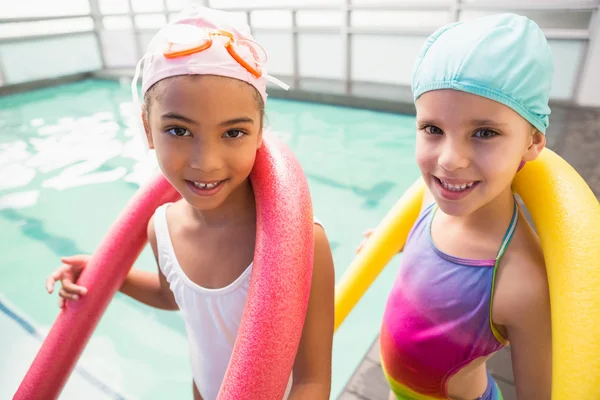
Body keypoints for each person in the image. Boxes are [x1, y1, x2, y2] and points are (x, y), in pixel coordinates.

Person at [46, 6, 335, 400]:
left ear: (259, 134)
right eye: (179, 130)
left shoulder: (301, 244)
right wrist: (104, 276)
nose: (206, 162)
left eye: (233, 132)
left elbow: (312, 381)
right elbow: (175, 297)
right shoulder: (161, 227)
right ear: (148, 129)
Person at [358, 13, 552, 400]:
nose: (450, 160)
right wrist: (401, 243)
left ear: (532, 140)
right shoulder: (432, 198)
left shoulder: (519, 282)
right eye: (433, 129)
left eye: (484, 133)